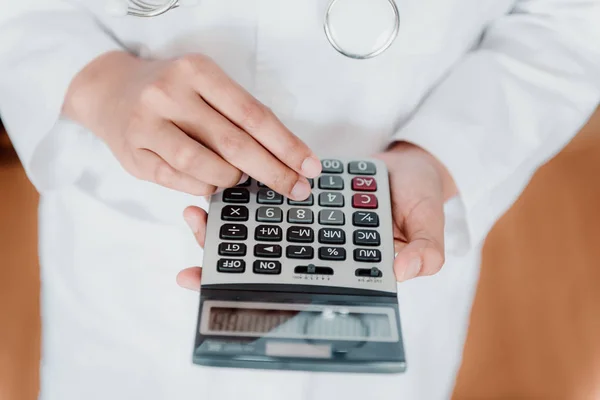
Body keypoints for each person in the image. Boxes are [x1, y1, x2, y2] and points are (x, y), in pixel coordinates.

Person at [0, 0, 599, 399]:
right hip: (131, 260)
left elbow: (569, 20)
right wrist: (94, 82)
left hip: (391, 246)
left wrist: (439, 155)